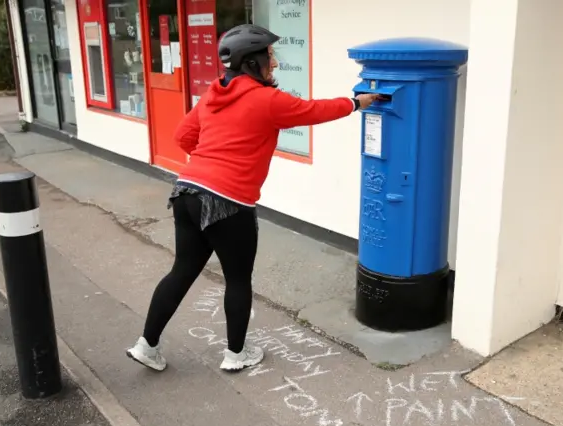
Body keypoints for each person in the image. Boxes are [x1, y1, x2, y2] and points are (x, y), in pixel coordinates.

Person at [126, 24, 383, 372]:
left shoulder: (212, 94)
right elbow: (313, 111)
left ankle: (147, 345)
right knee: (237, 278)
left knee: (182, 270)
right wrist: (357, 102)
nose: (274, 64)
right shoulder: (267, 99)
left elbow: (182, 136)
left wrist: (209, 161)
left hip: (186, 190)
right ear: (252, 62)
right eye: (270, 56)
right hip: (227, 200)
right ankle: (236, 355)